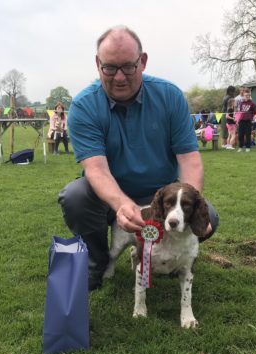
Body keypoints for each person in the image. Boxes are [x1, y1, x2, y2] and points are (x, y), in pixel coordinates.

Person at [58, 26, 219, 291]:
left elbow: (190, 160)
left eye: (128, 67)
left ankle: (168, 257)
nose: (119, 77)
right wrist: (122, 204)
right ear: (98, 64)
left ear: (142, 62)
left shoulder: (171, 96)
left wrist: (184, 204)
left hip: (162, 197)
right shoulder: (84, 106)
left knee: (208, 215)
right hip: (105, 196)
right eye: (109, 68)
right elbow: (96, 170)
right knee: (75, 196)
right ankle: (97, 263)